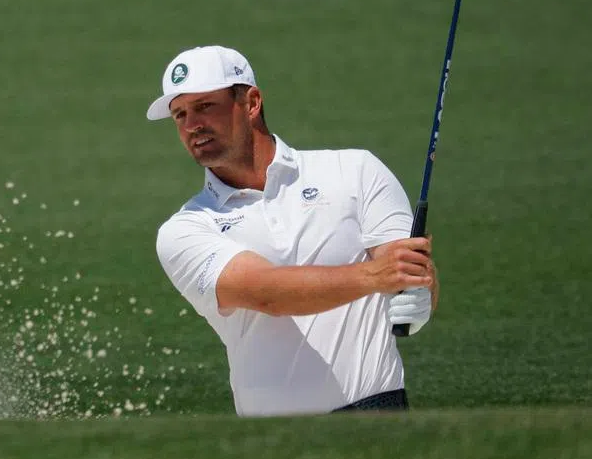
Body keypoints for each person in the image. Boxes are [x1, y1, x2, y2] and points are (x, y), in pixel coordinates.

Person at [148, 45, 437, 416]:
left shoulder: (355, 171)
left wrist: (419, 291)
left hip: (380, 415)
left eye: (205, 106)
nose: (191, 126)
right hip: (273, 441)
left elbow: (404, 270)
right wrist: (374, 276)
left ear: (251, 103)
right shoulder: (184, 230)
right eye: (179, 114)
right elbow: (268, 294)